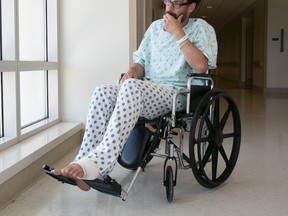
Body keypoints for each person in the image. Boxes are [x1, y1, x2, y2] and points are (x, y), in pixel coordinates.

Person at [51, 0, 217, 191]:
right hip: (144, 90)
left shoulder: (202, 28)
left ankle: (98, 165)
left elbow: (201, 66)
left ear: (191, 7)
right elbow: (140, 63)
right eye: (167, 2)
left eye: (177, 4)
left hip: (177, 94)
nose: (169, 9)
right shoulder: (155, 28)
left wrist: (178, 33)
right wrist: (131, 72)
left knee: (132, 88)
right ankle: (83, 163)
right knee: (103, 91)